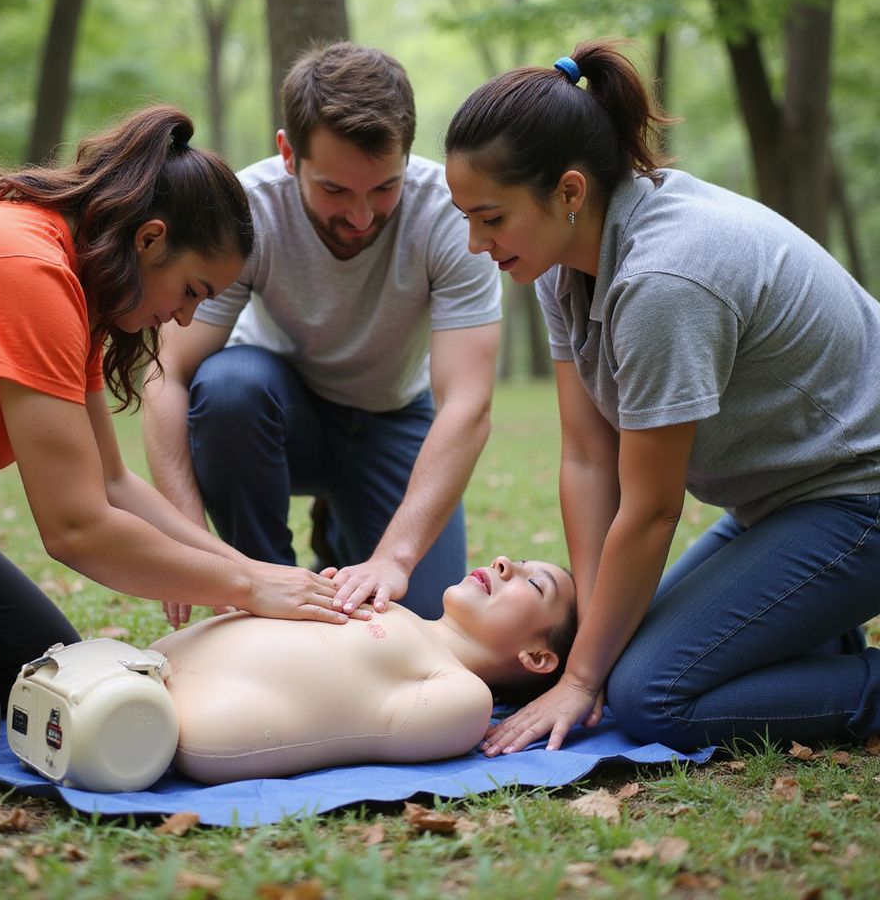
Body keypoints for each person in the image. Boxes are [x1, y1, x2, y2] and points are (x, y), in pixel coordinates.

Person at [0, 106, 364, 775]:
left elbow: (113, 484)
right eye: (191, 291)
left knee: (51, 670)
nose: (185, 316)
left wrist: (254, 574)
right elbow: (76, 527)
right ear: (151, 239)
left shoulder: (78, 287)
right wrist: (245, 585)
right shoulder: (25, 269)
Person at [443, 41, 880, 756]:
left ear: (571, 192)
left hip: (860, 497)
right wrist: (588, 643)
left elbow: (650, 509)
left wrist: (582, 678)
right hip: (782, 507)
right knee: (625, 650)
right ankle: (819, 641)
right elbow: (588, 458)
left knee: (651, 693)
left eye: (491, 218)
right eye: (466, 217)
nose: (473, 242)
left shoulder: (664, 280)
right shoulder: (562, 268)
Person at [143, 42, 502, 625]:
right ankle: (263, 587)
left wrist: (394, 558)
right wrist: (190, 546)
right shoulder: (246, 212)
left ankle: (342, 536)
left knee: (427, 622)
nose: (361, 217)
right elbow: (168, 374)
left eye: (384, 188)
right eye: (335, 190)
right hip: (282, 415)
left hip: (394, 420)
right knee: (229, 385)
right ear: (289, 154)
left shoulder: (450, 218)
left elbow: (468, 402)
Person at [150, 556, 576, 783]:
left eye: (535, 583)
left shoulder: (464, 695)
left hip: (195, 719)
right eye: (519, 559)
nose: (504, 562)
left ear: (538, 657)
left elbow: (359, 708)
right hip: (159, 660)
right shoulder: (391, 605)